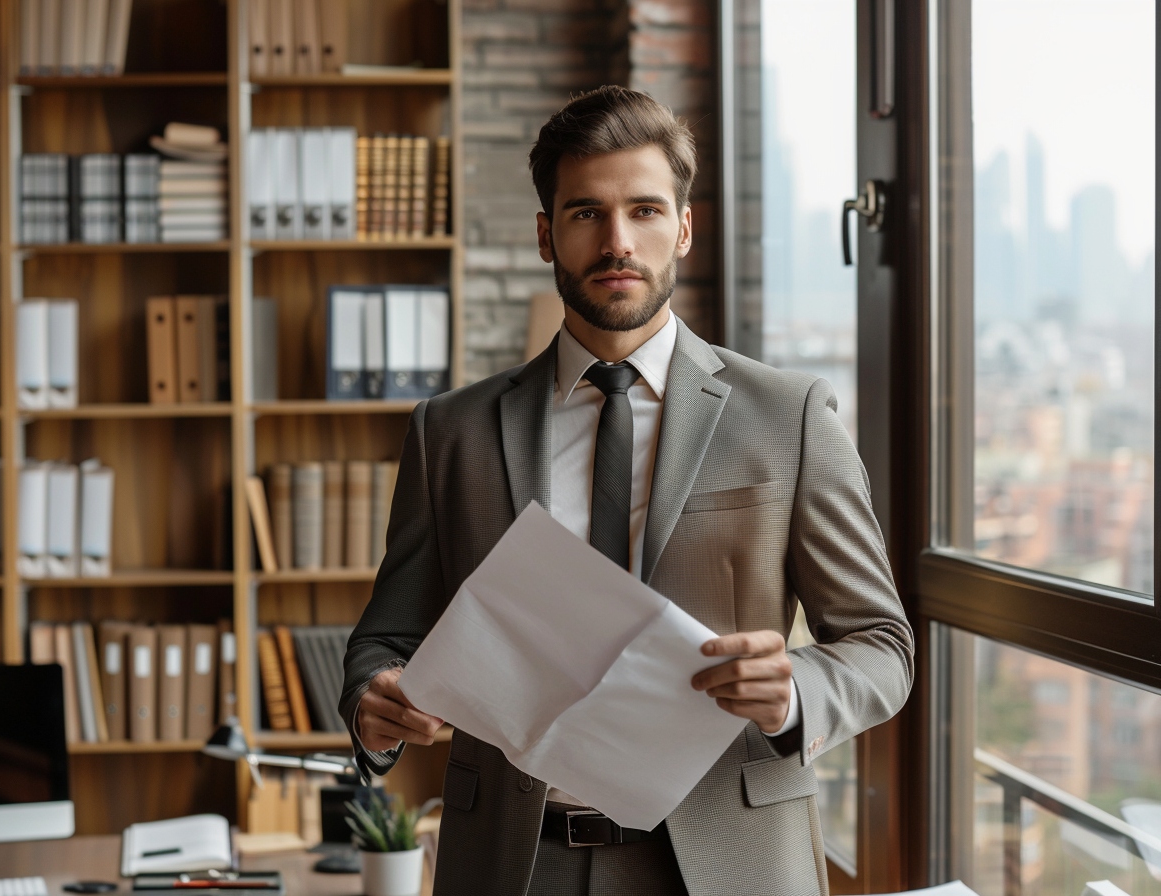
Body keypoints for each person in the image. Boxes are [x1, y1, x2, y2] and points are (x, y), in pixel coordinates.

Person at [339, 85, 913, 896]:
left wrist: (796, 689)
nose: (617, 242)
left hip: (730, 863)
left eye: (644, 211)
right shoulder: (451, 432)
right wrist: (374, 700)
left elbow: (882, 647)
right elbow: (386, 637)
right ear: (547, 234)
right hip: (515, 862)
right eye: (587, 214)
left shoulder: (787, 416)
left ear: (683, 228)